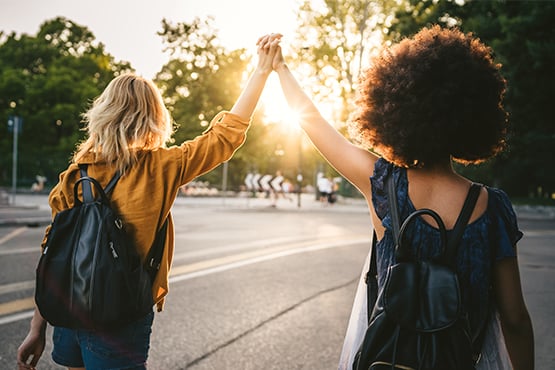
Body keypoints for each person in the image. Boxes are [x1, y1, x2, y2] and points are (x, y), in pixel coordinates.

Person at [259, 26, 534, 370]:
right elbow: (516, 320)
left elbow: (314, 125)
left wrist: (281, 69)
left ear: (395, 111)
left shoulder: (383, 183)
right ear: (475, 115)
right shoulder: (492, 208)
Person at [17, 39, 279, 370]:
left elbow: (52, 254)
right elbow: (224, 137)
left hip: (69, 315)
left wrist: (36, 328)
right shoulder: (160, 167)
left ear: (102, 112)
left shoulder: (74, 175)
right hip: (119, 317)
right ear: (154, 117)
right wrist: (260, 72)